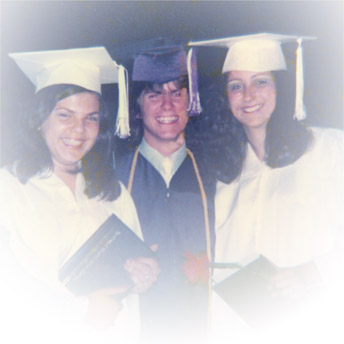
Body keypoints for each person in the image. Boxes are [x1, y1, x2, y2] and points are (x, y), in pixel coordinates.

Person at [189, 33, 344, 340]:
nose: (248, 95)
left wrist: (312, 273)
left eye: (261, 81)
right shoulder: (223, 173)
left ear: (283, 88)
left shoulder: (330, 148)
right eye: (236, 86)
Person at [0, 46, 160, 344]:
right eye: (65, 114)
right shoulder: (9, 187)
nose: (79, 129)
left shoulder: (112, 192)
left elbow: (132, 271)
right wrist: (79, 310)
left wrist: (143, 277)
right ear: (39, 119)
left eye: (91, 118)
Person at [115, 45, 215, 343]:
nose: (168, 105)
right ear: (136, 107)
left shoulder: (219, 175)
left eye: (178, 93)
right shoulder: (110, 180)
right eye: (154, 94)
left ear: (191, 100)